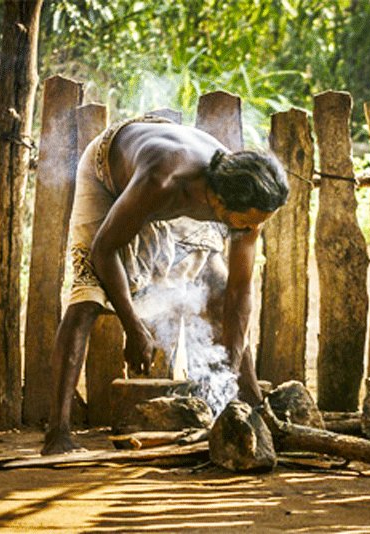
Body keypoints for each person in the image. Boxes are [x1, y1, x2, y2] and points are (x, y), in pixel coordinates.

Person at [42, 115, 288, 455]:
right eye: (246, 222)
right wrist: (134, 327)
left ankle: (250, 402)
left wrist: (230, 368)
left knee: (216, 289)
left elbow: (239, 291)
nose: (251, 230)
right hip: (110, 170)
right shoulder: (163, 180)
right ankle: (58, 434)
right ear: (219, 203)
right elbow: (104, 249)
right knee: (88, 295)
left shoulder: (244, 200)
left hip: (174, 176)